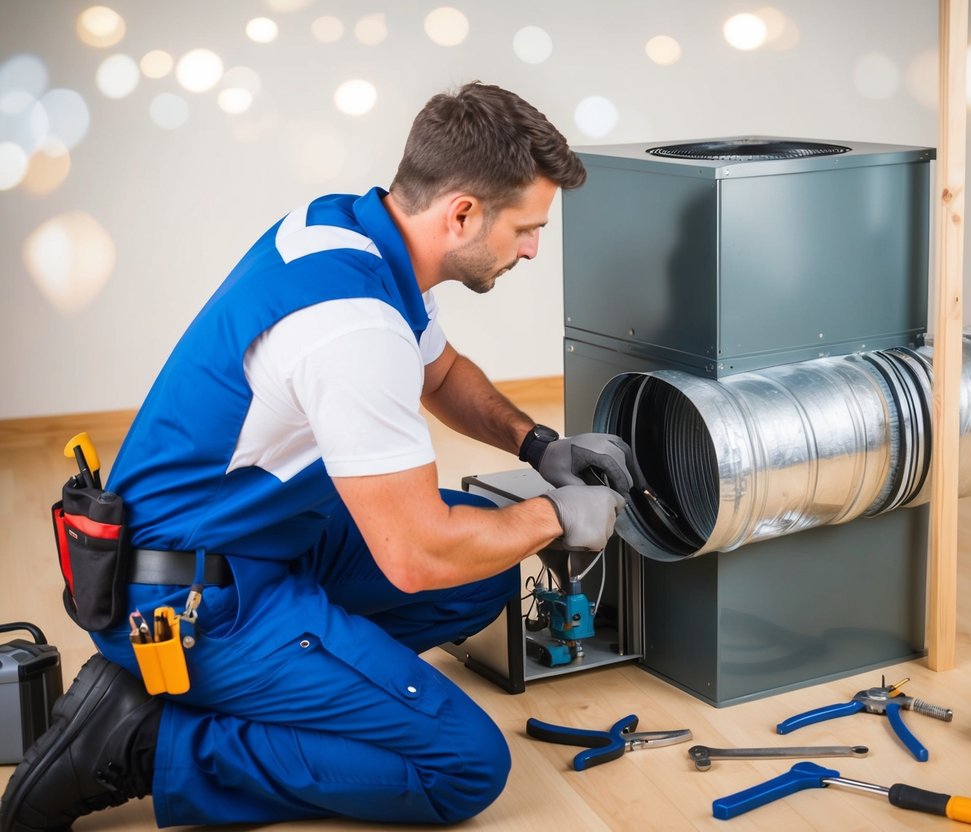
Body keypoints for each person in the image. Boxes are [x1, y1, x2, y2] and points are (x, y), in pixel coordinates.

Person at [0, 82, 634, 831]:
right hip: (192, 598)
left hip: (262, 543)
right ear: (461, 211)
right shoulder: (352, 327)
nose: (532, 246)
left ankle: (275, 682)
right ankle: (146, 739)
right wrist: (550, 514)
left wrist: (540, 447)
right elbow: (415, 557)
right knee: (462, 766)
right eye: (527, 228)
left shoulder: (353, 234)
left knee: (483, 578)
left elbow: (441, 372)